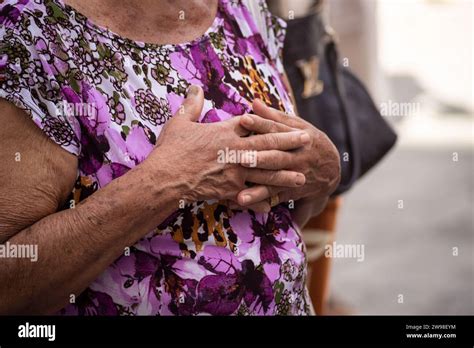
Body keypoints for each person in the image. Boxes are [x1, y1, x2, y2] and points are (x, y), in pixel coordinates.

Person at [0, 0, 340, 315]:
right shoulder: (31, 34)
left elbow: (285, 215)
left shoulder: (241, 7)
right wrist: (167, 181)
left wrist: (323, 169)